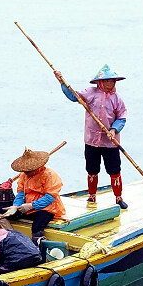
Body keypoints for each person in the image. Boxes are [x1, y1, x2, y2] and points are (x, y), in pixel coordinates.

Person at [54, 64, 129, 209]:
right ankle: (92, 196)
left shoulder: (117, 99)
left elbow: (122, 117)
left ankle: (118, 198)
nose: (110, 84)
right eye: (107, 81)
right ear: (101, 82)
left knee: (114, 170)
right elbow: (73, 96)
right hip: (92, 141)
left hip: (110, 142)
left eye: (112, 81)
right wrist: (62, 82)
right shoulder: (91, 93)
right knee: (92, 169)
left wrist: (113, 130)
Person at [0, 147, 67, 242]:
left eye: (28, 170)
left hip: (47, 208)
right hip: (26, 206)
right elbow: (21, 193)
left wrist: (32, 205)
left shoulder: (49, 175)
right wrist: (16, 206)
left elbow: (50, 197)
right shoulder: (24, 175)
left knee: (37, 227)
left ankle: (37, 247)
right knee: (5, 214)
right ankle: (11, 239)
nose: (26, 172)